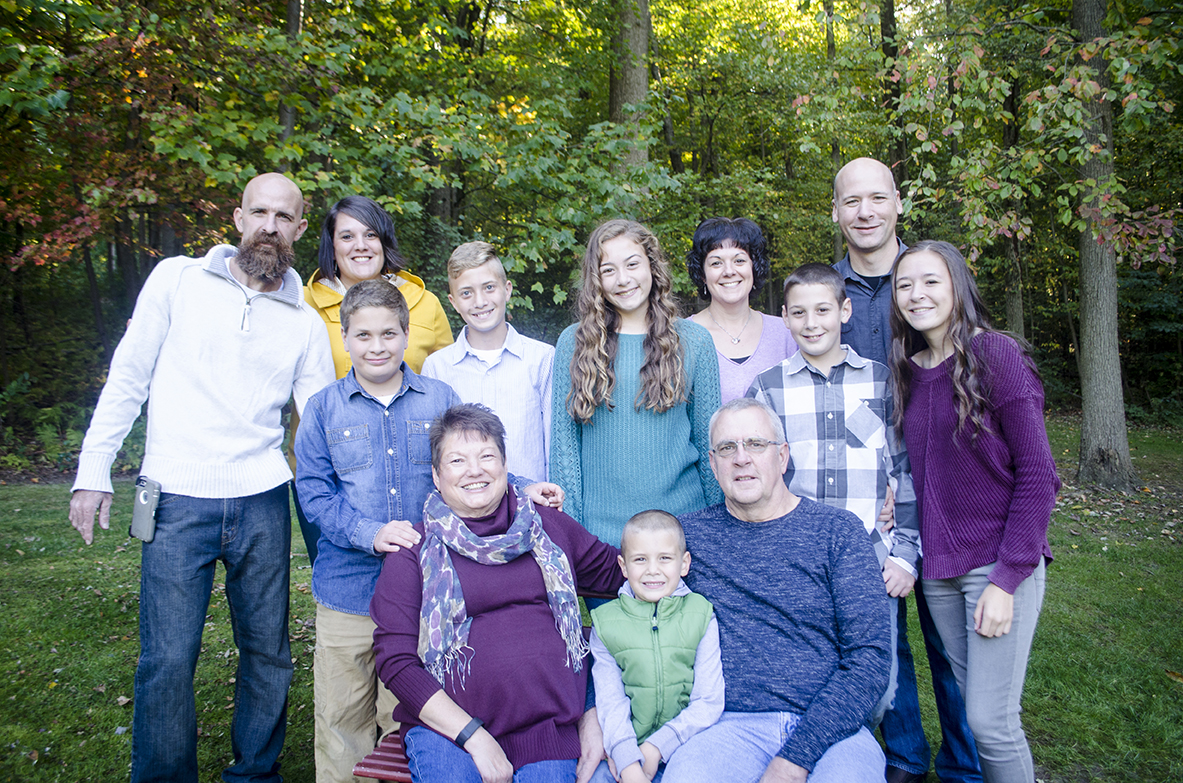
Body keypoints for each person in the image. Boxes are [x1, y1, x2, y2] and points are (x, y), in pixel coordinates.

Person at [67, 173, 335, 783]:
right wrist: (93, 470)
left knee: (268, 653)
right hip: (174, 499)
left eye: (283, 217)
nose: (269, 226)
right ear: (238, 219)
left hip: (262, 500)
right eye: (259, 212)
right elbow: (129, 375)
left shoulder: (304, 321)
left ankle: (255, 774)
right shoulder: (176, 280)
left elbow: (320, 423)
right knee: (167, 658)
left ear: (299, 228)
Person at [370, 404, 625, 783]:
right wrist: (473, 738)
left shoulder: (548, 527)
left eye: (487, 456)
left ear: (505, 467)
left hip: (547, 730)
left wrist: (686, 549)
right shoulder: (413, 550)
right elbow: (397, 662)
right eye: (457, 460)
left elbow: (620, 571)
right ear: (437, 476)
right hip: (449, 735)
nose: (474, 470)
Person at [833, 157, 980, 783]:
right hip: (867, 496)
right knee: (882, 636)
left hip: (944, 485)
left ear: (898, 203)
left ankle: (968, 764)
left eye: (877, 198)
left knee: (952, 642)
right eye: (851, 201)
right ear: (836, 212)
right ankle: (904, 758)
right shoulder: (825, 292)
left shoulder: (927, 278)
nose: (865, 212)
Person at [890, 241, 1058, 783]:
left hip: (996, 563)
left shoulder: (995, 355)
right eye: (904, 285)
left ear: (958, 286)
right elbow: (922, 466)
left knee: (991, 722)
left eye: (930, 281)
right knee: (973, 707)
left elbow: (1039, 474)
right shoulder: (909, 371)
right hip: (939, 572)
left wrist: (1007, 580)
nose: (917, 294)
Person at [666, 397, 891, 783]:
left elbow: (869, 657)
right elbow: (631, 614)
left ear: (782, 456)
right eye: (727, 448)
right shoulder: (687, 538)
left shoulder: (837, 532)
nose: (741, 458)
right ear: (714, 465)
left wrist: (795, 758)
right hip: (727, 727)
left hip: (833, 728)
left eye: (755, 444)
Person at [294, 279, 461, 782]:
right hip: (346, 590)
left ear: (406, 334)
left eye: (389, 334)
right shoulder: (323, 408)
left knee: (406, 715)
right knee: (341, 714)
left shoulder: (439, 399)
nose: (377, 346)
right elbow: (314, 492)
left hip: (419, 592)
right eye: (363, 335)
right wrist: (367, 531)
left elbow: (468, 470)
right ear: (345, 338)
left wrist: (524, 487)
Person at [747, 262, 920, 728]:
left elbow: (904, 471)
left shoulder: (881, 381)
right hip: (797, 561)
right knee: (808, 674)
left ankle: (855, 745)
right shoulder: (768, 387)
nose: (812, 323)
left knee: (878, 690)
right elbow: (759, 480)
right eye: (799, 312)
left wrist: (905, 555)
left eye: (823, 310)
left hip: (870, 557)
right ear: (785, 317)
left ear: (844, 311)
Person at [292, 195, 453, 565]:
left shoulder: (424, 303)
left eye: (370, 235)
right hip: (334, 476)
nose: (360, 245)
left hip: (414, 470)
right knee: (340, 567)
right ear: (331, 245)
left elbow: (445, 377)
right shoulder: (302, 304)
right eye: (347, 236)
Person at [551, 219, 722, 547]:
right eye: (609, 270)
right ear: (595, 279)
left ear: (652, 267)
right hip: (602, 540)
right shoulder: (573, 343)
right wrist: (573, 537)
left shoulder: (694, 341)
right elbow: (565, 452)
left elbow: (709, 444)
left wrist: (715, 530)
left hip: (684, 532)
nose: (623, 279)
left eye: (632, 264)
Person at [588, 510, 724, 783]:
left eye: (665, 558)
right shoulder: (605, 623)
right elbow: (610, 702)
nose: (652, 570)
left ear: (684, 564)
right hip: (626, 751)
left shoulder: (700, 614)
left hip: (687, 746)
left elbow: (709, 700)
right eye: (640, 559)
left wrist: (658, 746)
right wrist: (627, 762)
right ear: (623, 566)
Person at [421, 241, 555, 481]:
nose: (480, 301)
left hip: (533, 499)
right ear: (453, 302)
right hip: (465, 500)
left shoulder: (543, 359)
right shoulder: (436, 367)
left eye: (489, 287)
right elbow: (434, 451)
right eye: (466, 293)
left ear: (507, 289)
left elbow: (554, 445)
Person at [686, 217, 798, 403]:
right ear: (702, 274)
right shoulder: (681, 337)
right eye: (716, 263)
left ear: (754, 267)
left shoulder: (787, 334)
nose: (729, 271)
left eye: (739, 260)